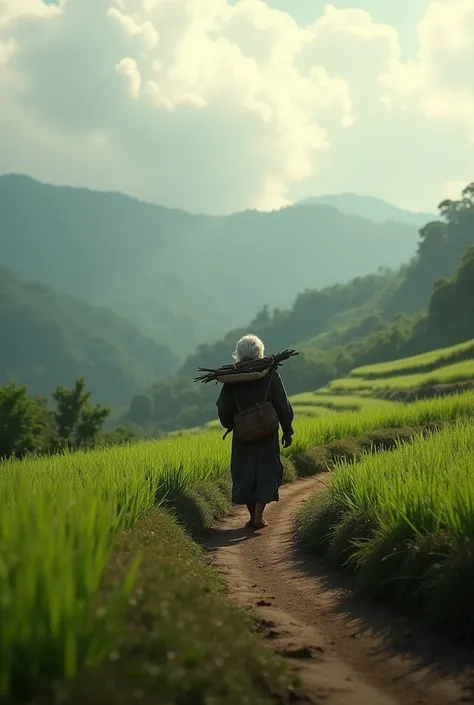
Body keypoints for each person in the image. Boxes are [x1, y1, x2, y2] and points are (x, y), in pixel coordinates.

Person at [216, 334, 294, 529]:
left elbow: (223, 407)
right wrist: (287, 429)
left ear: (239, 355)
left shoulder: (232, 379)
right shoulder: (270, 374)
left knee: (245, 472)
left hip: (243, 435)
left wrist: (230, 425)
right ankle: (259, 515)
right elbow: (282, 403)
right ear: (260, 352)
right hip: (267, 433)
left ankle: (252, 517)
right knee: (267, 470)